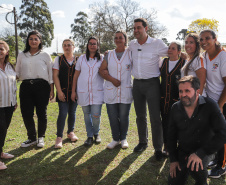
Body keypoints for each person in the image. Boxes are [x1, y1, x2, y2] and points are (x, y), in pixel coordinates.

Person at [168, 75, 226, 185]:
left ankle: (202, 181)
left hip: (205, 148)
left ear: (197, 91)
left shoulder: (210, 105)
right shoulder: (175, 107)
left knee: (196, 168)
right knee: (174, 181)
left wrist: (201, 153)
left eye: (187, 91)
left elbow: (223, 132)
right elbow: (171, 135)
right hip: (184, 149)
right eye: (181, 91)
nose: (183, 95)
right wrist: (173, 159)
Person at [129, 18, 168, 160]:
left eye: (139, 28)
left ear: (146, 28)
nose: (136, 31)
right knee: (140, 116)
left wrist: (181, 54)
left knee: (155, 117)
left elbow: (170, 53)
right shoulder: (131, 44)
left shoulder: (157, 43)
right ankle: (142, 142)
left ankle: (158, 148)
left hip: (152, 84)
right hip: (137, 84)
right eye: (134, 28)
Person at [16, 30, 54, 148]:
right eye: (31, 38)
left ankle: (40, 137)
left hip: (42, 86)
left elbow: (50, 74)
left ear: (40, 41)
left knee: (41, 112)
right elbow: (17, 72)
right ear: (28, 40)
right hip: (26, 86)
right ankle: (31, 137)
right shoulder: (22, 55)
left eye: (36, 39)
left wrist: (52, 90)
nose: (33, 41)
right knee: (26, 113)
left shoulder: (45, 55)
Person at [99, 30, 133, 149]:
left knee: (124, 116)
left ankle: (123, 139)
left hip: (125, 89)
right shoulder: (109, 54)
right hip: (111, 89)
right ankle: (115, 139)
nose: (118, 40)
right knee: (112, 116)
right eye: (116, 38)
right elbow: (101, 70)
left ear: (125, 39)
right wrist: (111, 79)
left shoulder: (130, 53)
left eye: (120, 38)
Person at [199, 29, 226, 178]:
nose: (204, 42)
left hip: (223, 102)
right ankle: (217, 160)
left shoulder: (223, 56)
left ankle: (222, 166)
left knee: (223, 134)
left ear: (215, 39)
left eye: (207, 38)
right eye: (201, 40)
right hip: (212, 102)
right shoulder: (204, 56)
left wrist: (220, 105)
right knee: (216, 133)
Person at [71, 36, 104, 146]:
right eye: (90, 43)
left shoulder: (102, 58)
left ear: (98, 46)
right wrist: (73, 91)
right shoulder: (81, 59)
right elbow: (76, 75)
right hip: (83, 91)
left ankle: (96, 133)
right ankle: (89, 136)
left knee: (96, 115)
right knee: (86, 114)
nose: (92, 45)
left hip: (97, 91)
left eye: (94, 44)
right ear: (87, 45)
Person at [159, 41, 185, 156]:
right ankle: (167, 146)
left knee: (177, 124)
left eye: (173, 48)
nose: (170, 50)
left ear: (179, 51)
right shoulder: (163, 62)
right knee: (165, 123)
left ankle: (177, 146)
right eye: (169, 48)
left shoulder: (184, 63)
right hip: (164, 99)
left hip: (177, 101)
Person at [53, 39, 78, 149]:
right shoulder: (58, 59)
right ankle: (59, 137)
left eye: (69, 45)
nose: (67, 47)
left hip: (74, 92)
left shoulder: (78, 59)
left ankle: (70, 132)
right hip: (62, 91)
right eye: (64, 45)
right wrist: (59, 91)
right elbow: (55, 76)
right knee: (63, 113)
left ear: (73, 47)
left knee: (72, 112)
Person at [0, 41, 17, 170]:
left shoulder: (10, 66)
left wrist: (15, 101)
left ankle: (1, 152)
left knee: (4, 130)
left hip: (9, 104)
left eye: (2, 49)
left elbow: (14, 85)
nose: (0, 51)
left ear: (6, 51)